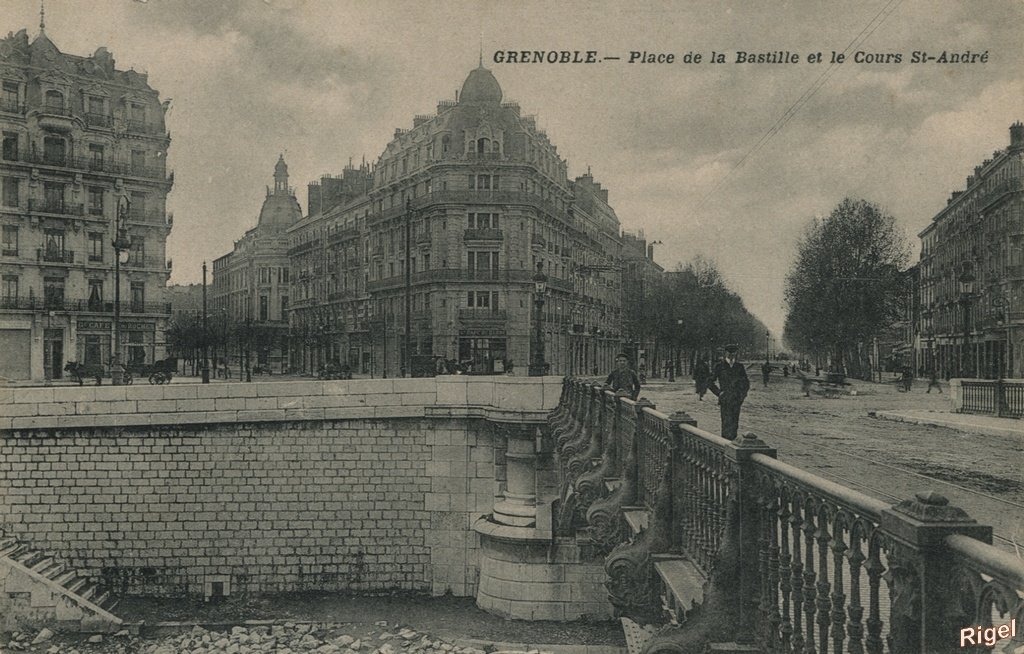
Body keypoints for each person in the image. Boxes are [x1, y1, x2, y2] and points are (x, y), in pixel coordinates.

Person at [708, 344, 750, 440]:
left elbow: (746, 383)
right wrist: (719, 393)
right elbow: (710, 381)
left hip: (736, 399)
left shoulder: (739, 367)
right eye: (729, 352)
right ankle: (725, 446)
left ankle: (732, 447)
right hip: (725, 399)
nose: (731, 354)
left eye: (733, 352)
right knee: (726, 424)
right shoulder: (719, 366)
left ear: (736, 353)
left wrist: (742, 396)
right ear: (725, 353)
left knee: (735, 424)